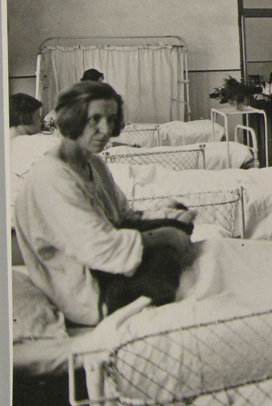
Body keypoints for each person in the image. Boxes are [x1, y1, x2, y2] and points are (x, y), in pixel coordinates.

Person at [14, 81, 196, 326]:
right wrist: (164, 236)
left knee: (178, 221)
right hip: (89, 290)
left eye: (111, 120)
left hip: (106, 261)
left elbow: (122, 215)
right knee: (166, 256)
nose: (106, 129)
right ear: (71, 119)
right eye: (94, 120)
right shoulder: (52, 177)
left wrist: (167, 215)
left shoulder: (93, 163)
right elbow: (99, 248)